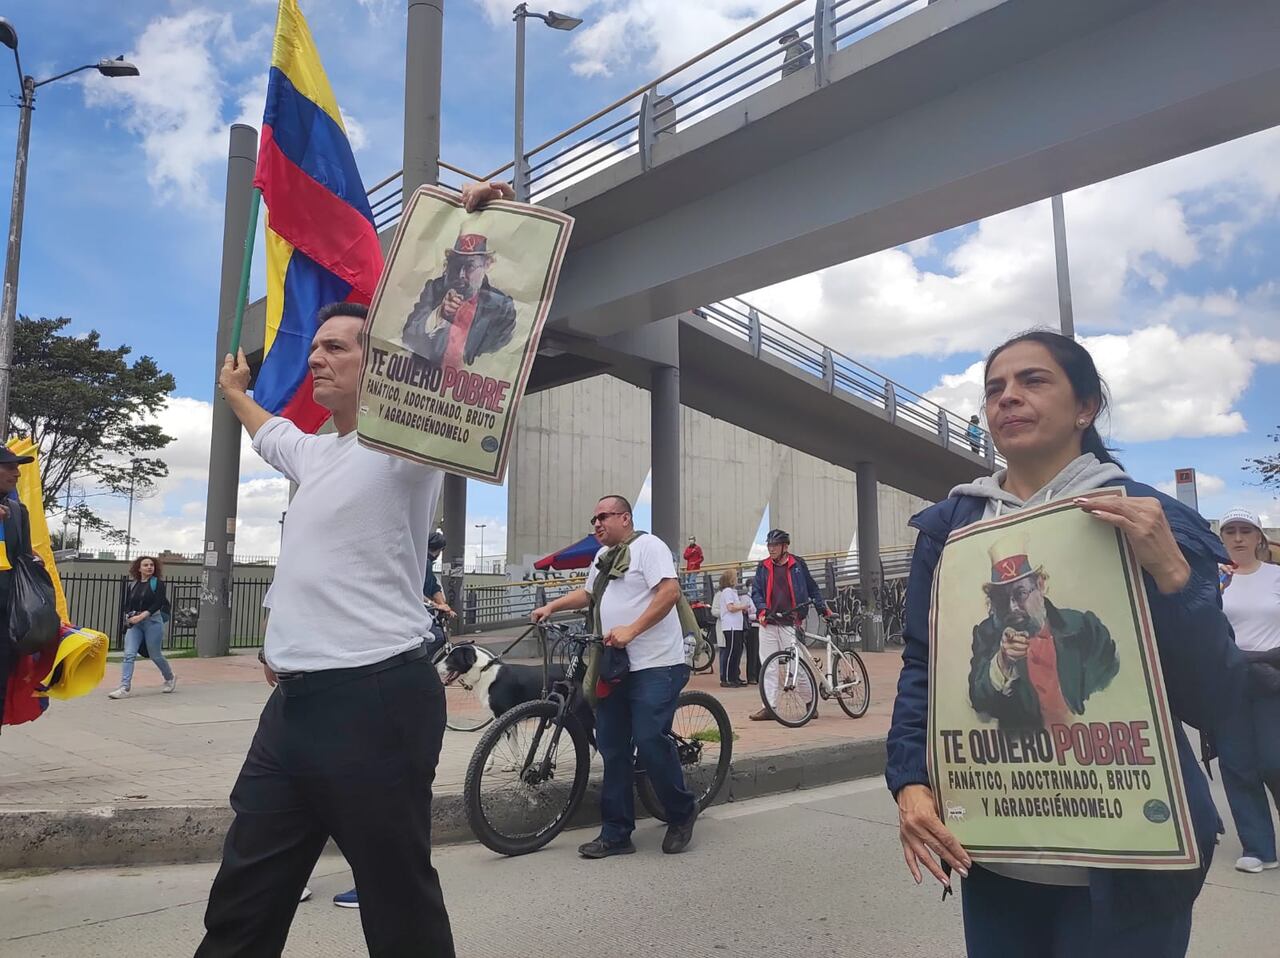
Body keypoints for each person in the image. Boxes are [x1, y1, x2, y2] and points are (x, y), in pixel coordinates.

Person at [198, 213, 536, 952]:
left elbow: (459, 357)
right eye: (314, 347)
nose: (315, 359)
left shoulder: (407, 447)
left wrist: (471, 222)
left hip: (375, 701)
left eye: (333, 348)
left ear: (379, 361)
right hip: (292, 711)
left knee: (397, 907)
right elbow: (270, 432)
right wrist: (235, 394)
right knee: (241, 903)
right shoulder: (317, 454)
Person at [886, 329, 1245, 956]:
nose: (1008, 399)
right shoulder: (950, 529)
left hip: (1131, 863)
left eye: (1033, 381)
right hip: (996, 856)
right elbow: (924, 665)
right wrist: (911, 780)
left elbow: (1213, 700)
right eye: (995, 389)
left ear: (1086, 408)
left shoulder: (1149, 519)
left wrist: (1174, 577)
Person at [531, 495, 698, 858]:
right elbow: (590, 594)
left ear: (625, 518)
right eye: (594, 519)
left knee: (650, 739)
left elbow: (669, 592)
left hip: (656, 663)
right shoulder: (602, 558)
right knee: (612, 747)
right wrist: (552, 606)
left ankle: (683, 813)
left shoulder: (648, 546)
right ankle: (617, 833)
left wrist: (632, 630)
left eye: (603, 517)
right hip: (616, 666)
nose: (596, 524)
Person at [968, 533, 1119, 729]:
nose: (1013, 607)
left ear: (1040, 585)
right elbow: (979, 700)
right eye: (1002, 599)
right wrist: (1002, 662)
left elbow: (1112, 689)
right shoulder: (987, 634)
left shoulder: (1084, 627)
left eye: (1020, 594)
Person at [1214, 507, 1280, 874]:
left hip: (1272, 679)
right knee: (1238, 764)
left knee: (1274, 760)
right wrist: (1212, 590)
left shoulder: (1275, 576)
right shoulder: (1213, 579)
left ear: (1258, 538)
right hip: (1230, 680)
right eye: (1230, 531)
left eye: (1245, 531)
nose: (1238, 537)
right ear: (1221, 539)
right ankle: (1259, 848)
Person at [401, 232, 517, 368]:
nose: (461, 274)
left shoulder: (502, 307)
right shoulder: (435, 289)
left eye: (470, 267)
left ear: (487, 265)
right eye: (456, 266)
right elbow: (408, 336)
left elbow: (498, 359)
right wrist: (438, 314)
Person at [749, 529, 830, 721]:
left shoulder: (798, 565)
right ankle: (769, 706)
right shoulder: (763, 567)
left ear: (785, 547)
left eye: (775, 545)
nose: (771, 549)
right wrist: (761, 610)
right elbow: (756, 591)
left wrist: (822, 608)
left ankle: (810, 703)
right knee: (768, 667)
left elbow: (812, 588)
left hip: (791, 622)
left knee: (797, 666)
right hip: (768, 622)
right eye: (769, 545)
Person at [0, 446, 38, 724]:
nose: (17, 472)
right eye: (9, 466)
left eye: (18, 465)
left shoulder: (18, 511)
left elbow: (23, 560)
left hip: (6, 619)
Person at [107, 556, 176, 699]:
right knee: (129, 654)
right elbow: (127, 604)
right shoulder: (133, 585)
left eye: (151, 565)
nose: (149, 567)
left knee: (155, 655)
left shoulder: (158, 584)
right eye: (145, 565)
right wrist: (129, 617)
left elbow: (158, 603)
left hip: (153, 623)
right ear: (139, 568)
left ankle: (170, 677)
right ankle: (124, 687)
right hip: (135, 625)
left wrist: (142, 616)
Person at [716, 570, 748, 687]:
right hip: (731, 626)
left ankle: (735, 676)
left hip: (736, 626)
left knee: (737, 651)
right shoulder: (727, 591)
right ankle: (727, 678)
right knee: (731, 651)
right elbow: (730, 607)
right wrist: (743, 606)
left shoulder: (732, 592)